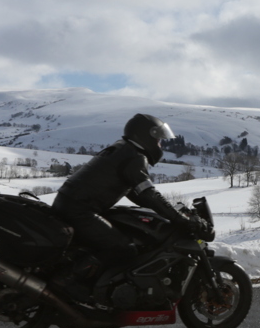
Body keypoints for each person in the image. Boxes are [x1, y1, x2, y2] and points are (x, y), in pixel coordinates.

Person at [52, 113, 209, 264]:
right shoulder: (135, 157)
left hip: (72, 205)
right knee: (124, 248)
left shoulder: (124, 149)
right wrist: (181, 219)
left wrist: (170, 213)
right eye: (158, 140)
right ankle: (71, 283)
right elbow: (149, 194)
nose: (160, 145)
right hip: (79, 211)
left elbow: (137, 194)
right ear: (147, 136)